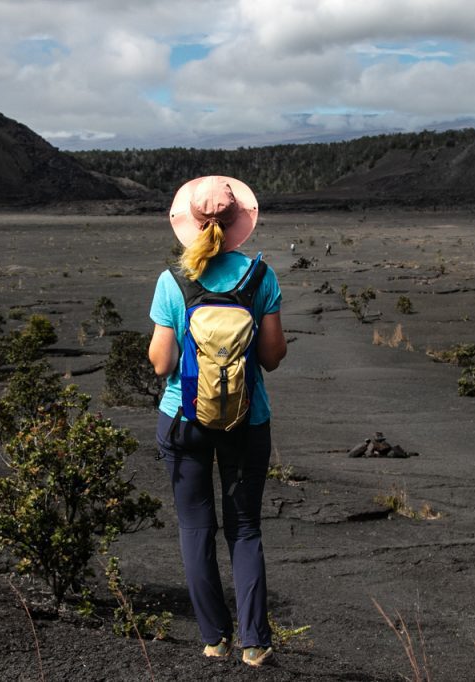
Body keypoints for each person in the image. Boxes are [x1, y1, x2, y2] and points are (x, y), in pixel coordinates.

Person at [148, 175, 287, 667]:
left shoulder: (174, 280)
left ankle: (214, 638)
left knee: (195, 528)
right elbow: (271, 357)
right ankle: (255, 644)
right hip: (247, 421)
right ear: (236, 225)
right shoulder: (259, 277)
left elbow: (162, 364)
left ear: (191, 223)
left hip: (183, 418)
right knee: (245, 528)